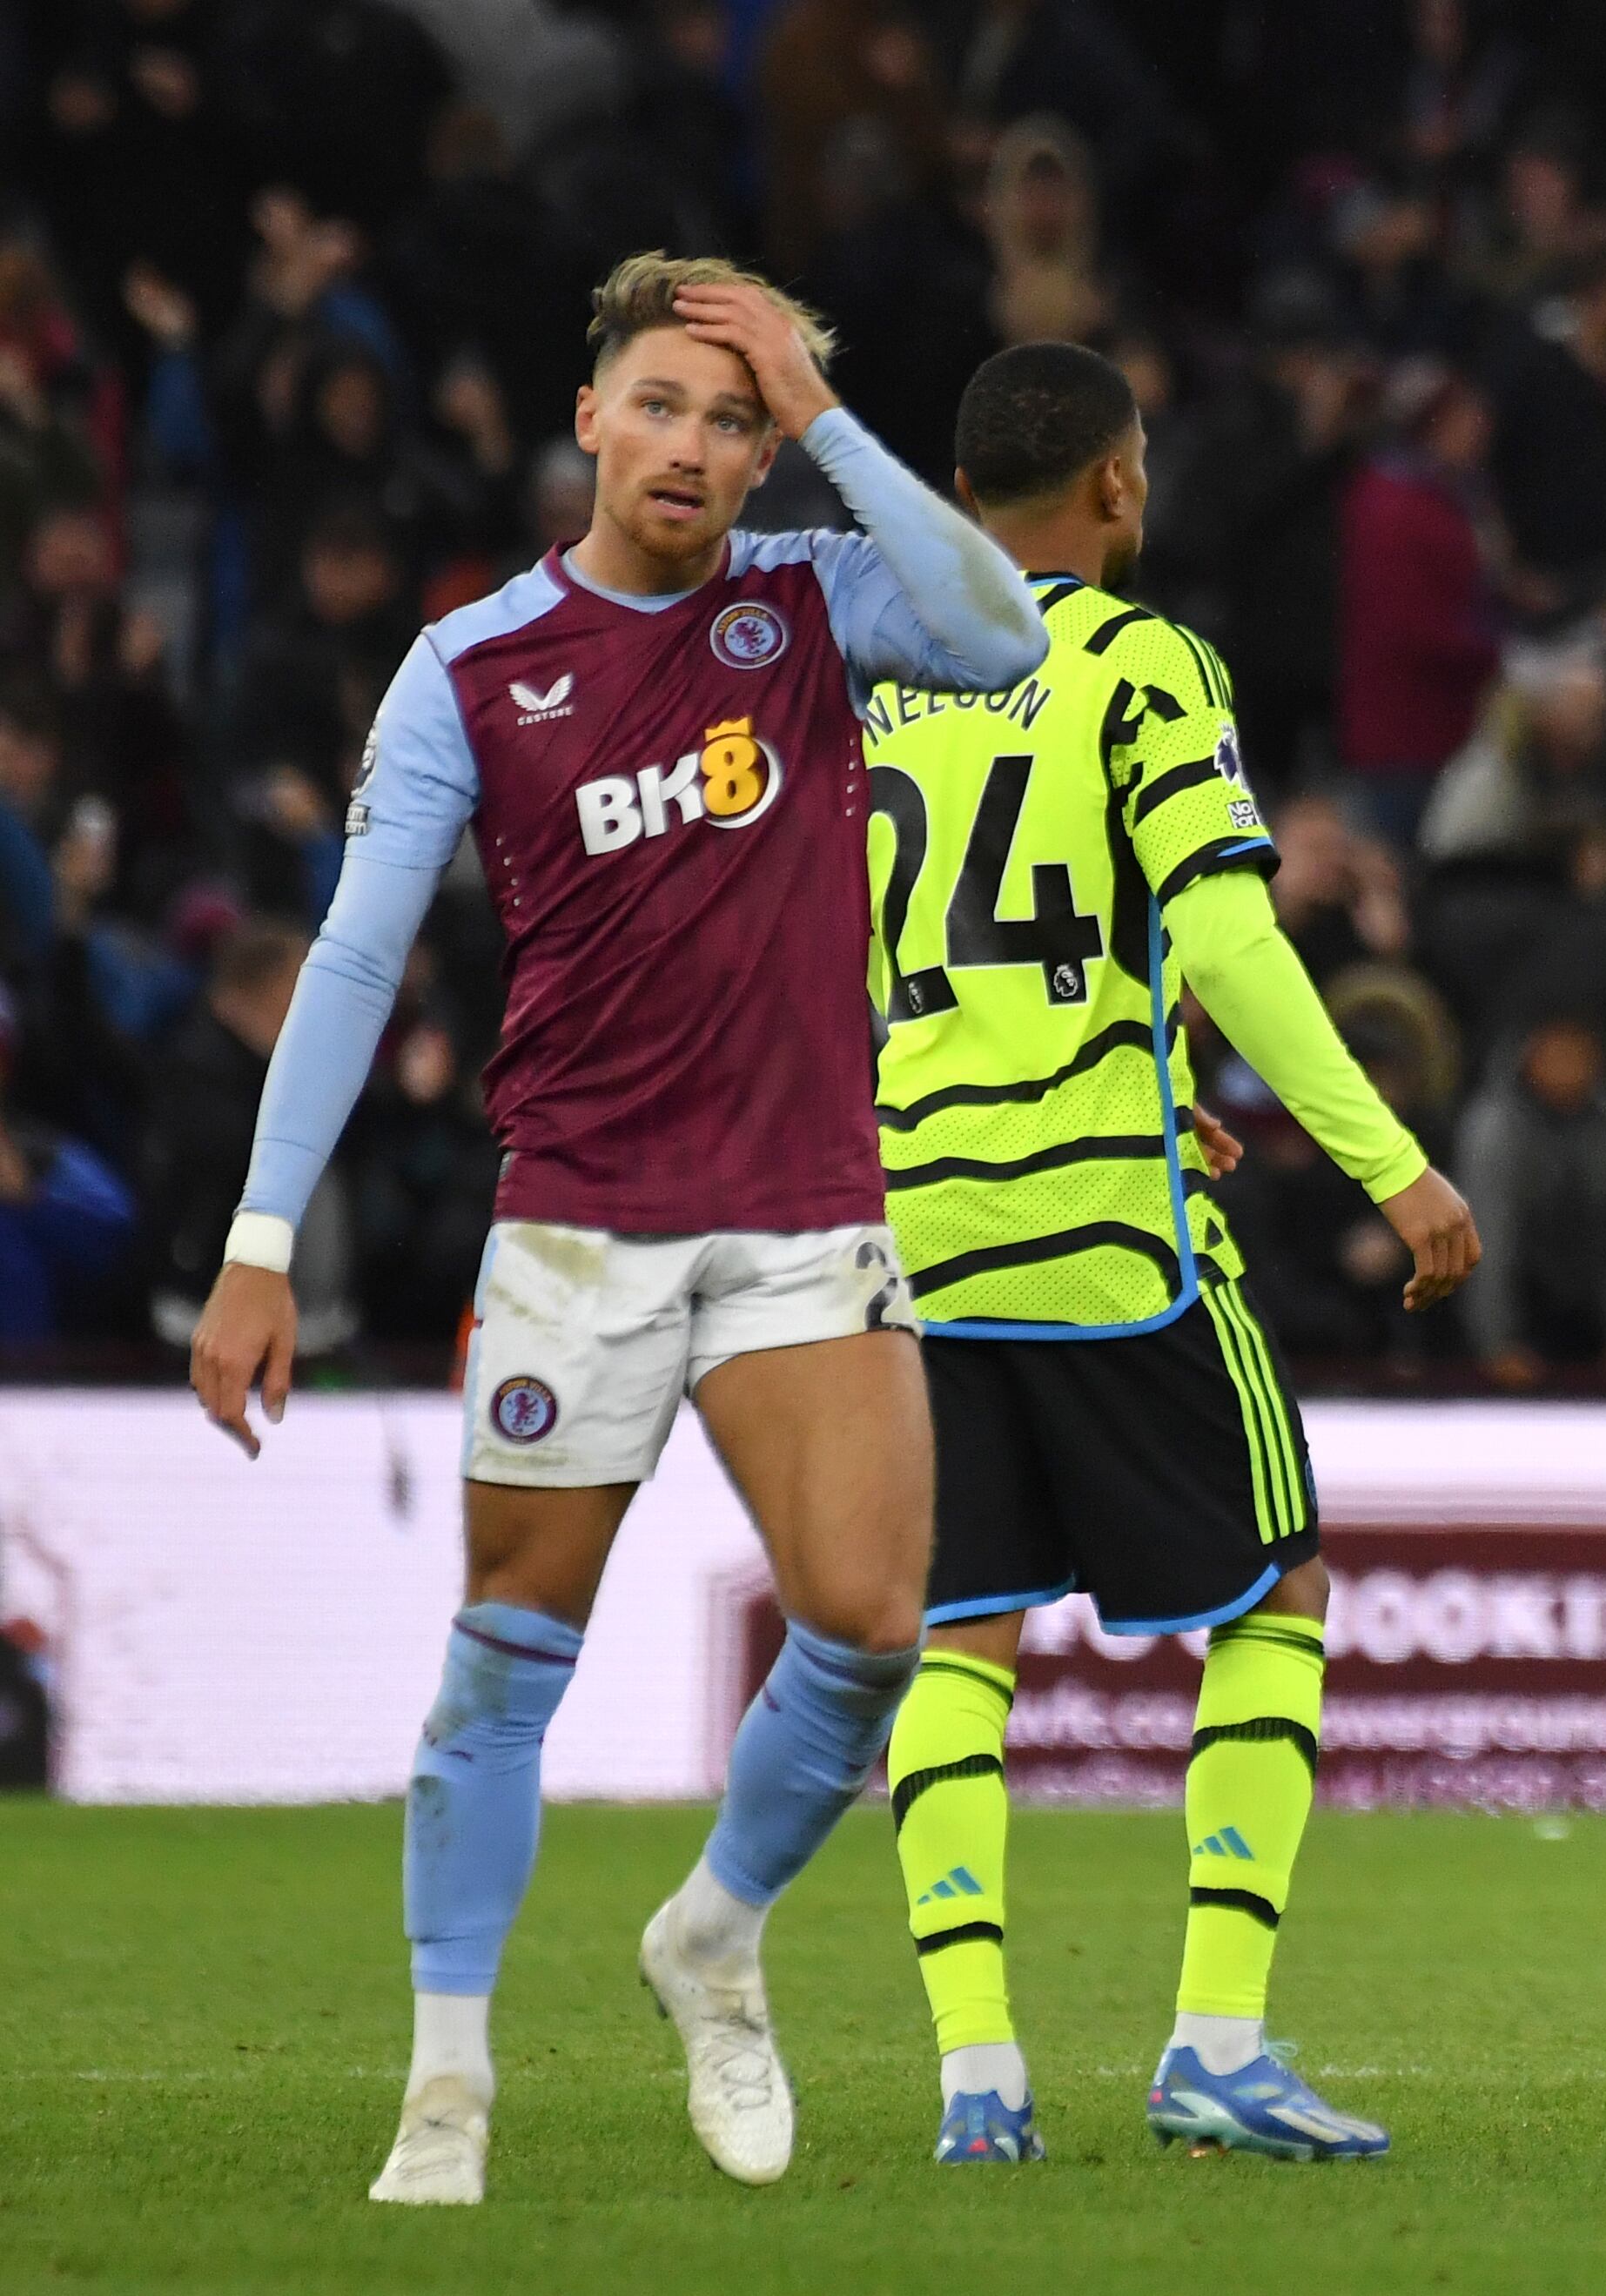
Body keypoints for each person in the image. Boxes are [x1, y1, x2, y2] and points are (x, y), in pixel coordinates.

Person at [184, 252, 1052, 2207]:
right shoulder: (472, 667)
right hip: (577, 1227)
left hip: (805, 1213)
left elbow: (1002, 637)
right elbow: (348, 957)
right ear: (587, 419)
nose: (693, 444)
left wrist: (827, 413)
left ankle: (714, 1931)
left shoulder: (814, 603)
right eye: (662, 401)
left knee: (872, 1623)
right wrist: (257, 1234)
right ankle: (445, 2086)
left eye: (733, 418)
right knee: (510, 1657)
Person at [863, 342, 1479, 2169]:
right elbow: (1224, 937)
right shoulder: (1138, 662)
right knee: (1273, 1596)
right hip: (1110, 1229)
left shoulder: (880, 676)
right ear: (1118, 489)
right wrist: (1394, 1163)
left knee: (962, 1631)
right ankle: (1214, 2043)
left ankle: (978, 2073)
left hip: (917, 1223)